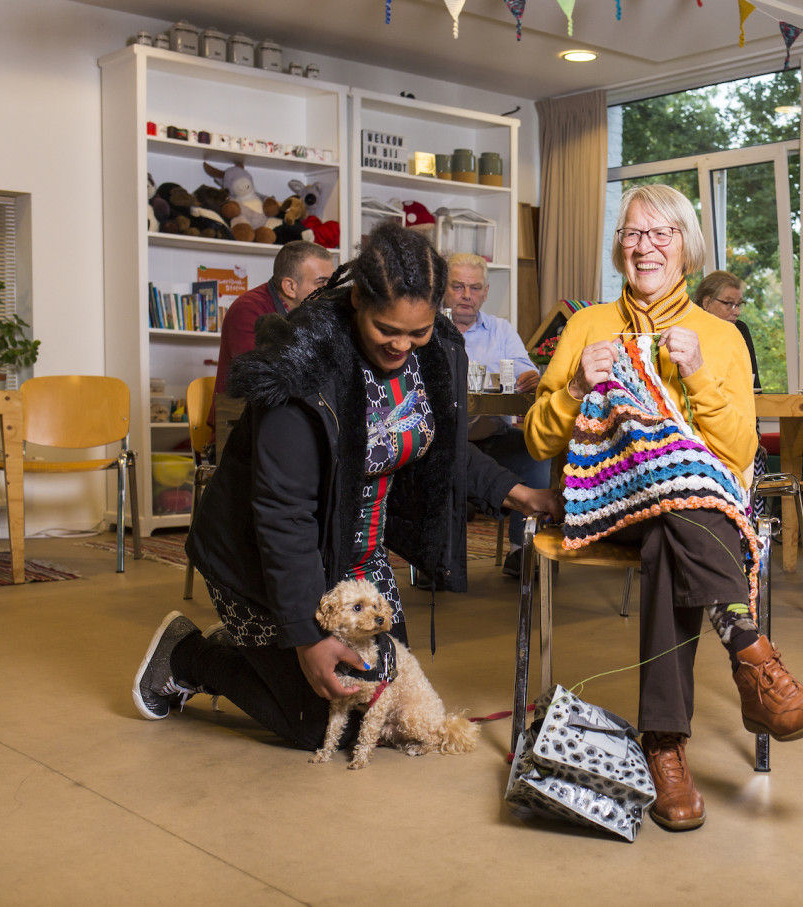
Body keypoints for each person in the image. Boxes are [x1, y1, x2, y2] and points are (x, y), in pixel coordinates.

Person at [132, 223, 561, 751]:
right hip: (262, 556)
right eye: (387, 329)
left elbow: (440, 443)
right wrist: (310, 639)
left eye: (418, 331)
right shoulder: (303, 367)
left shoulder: (434, 351)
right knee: (319, 725)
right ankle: (190, 655)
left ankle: (264, 659)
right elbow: (281, 513)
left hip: (356, 559)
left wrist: (521, 494)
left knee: (378, 701)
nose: (403, 346)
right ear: (357, 299)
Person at [523, 184, 803, 832]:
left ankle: (663, 746)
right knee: (684, 494)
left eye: (660, 233)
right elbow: (537, 437)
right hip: (606, 494)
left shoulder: (719, 337)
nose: (644, 246)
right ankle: (756, 664)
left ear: (686, 247)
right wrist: (580, 384)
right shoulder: (586, 326)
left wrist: (696, 375)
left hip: (685, 514)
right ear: (620, 247)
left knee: (676, 523)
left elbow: (739, 450)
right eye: (633, 234)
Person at [445, 252, 550, 577]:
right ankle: (438, 557)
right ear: (443, 289)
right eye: (458, 286)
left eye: (474, 288)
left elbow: (523, 369)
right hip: (445, 441)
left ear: (486, 292)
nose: (466, 295)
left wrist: (528, 377)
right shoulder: (427, 328)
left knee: (537, 454)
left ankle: (524, 552)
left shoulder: (501, 330)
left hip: (494, 435)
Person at [212, 240, 334, 419]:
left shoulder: (313, 312)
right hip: (243, 427)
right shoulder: (247, 310)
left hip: (288, 417)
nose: (330, 291)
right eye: (321, 283)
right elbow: (266, 380)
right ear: (290, 287)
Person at [693, 270, 761, 391]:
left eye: (739, 304)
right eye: (729, 303)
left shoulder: (740, 329)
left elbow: (754, 385)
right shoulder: (687, 332)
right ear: (706, 303)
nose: (737, 312)